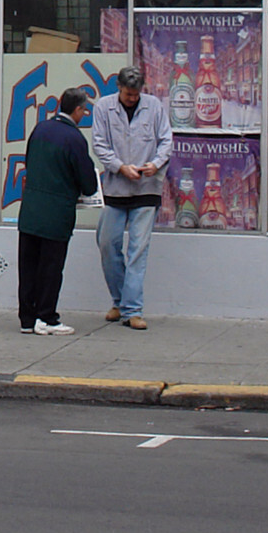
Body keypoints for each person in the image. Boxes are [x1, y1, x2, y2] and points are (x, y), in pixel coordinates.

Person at [90, 62, 171, 329]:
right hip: (116, 187)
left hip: (147, 189)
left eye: (136, 94)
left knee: (138, 249)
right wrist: (119, 167)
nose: (132, 98)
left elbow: (166, 141)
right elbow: (99, 144)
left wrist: (155, 164)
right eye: (128, 94)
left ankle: (132, 309)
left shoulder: (154, 106)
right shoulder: (103, 107)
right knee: (106, 243)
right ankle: (120, 300)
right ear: (119, 89)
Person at [16, 85, 97, 335]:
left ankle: (27, 319)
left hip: (30, 212)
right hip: (56, 215)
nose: (85, 115)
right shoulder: (74, 139)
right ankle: (47, 317)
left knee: (28, 266)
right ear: (77, 109)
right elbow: (89, 184)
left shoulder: (40, 129)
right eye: (84, 110)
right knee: (51, 268)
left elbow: (29, 162)